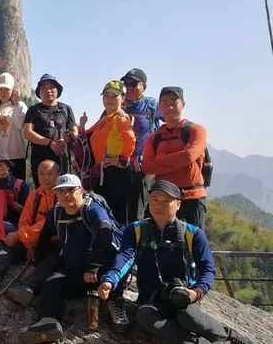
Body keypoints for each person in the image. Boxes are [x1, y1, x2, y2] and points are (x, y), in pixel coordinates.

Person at [98, 180, 258, 344]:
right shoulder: (137, 230)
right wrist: (110, 279)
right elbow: (125, 256)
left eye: (166, 200)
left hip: (184, 297)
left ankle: (228, 336)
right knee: (144, 316)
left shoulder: (193, 234)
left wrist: (196, 293)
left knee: (187, 318)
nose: (158, 204)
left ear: (178, 204)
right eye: (155, 199)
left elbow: (207, 269)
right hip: (153, 300)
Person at [21, 174, 127, 344]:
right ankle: (49, 323)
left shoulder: (92, 209)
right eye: (61, 191)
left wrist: (93, 266)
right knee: (51, 283)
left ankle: (116, 300)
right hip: (76, 269)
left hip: (102, 268)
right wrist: (37, 264)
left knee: (111, 278)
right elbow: (45, 237)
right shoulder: (56, 212)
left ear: (81, 191)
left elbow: (104, 232)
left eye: (71, 190)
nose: (66, 195)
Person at [0, 159, 57, 299]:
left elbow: (47, 223)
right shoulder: (35, 195)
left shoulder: (62, 195)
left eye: (50, 173)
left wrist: (20, 235)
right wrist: (28, 243)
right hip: (30, 241)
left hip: (51, 242)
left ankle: (25, 287)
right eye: (42, 174)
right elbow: (24, 220)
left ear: (58, 174)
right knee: (6, 242)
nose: (45, 177)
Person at [142, 87, 208, 229]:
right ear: (159, 107)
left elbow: (189, 156)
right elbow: (147, 166)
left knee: (193, 245)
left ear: (183, 104)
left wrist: (160, 158)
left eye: (174, 101)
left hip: (192, 197)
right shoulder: (154, 138)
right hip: (163, 199)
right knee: (157, 244)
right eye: (164, 102)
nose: (169, 106)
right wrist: (179, 160)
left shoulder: (196, 130)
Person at [78, 80, 136, 225]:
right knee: (105, 213)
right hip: (104, 173)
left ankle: (120, 245)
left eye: (114, 96)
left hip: (117, 173)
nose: (109, 99)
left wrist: (121, 160)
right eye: (106, 96)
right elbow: (88, 135)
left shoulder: (121, 118)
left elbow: (130, 140)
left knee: (117, 215)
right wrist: (82, 126)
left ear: (123, 98)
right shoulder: (105, 119)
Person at [120, 68, 162, 222]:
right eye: (126, 83)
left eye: (133, 83)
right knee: (121, 206)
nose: (129, 87)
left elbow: (173, 120)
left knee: (140, 206)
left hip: (144, 166)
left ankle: (139, 241)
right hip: (120, 164)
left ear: (144, 86)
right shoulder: (119, 104)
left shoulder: (152, 105)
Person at [24, 74, 77, 187]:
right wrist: (50, 143)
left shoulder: (66, 109)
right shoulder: (33, 110)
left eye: (52, 87)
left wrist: (69, 138)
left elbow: (74, 130)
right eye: (44, 88)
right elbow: (27, 132)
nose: (48, 90)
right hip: (40, 157)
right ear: (39, 92)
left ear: (57, 90)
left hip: (61, 158)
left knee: (62, 189)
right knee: (42, 189)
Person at [0, 72, 27, 180]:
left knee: (16, 193)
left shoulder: (20, 106)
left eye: (7, 89)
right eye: (0, 89)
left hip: (15, 158)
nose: (3, 92)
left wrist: (15, 104)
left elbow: (21, 125)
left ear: (13, 89)